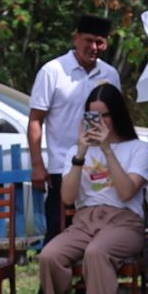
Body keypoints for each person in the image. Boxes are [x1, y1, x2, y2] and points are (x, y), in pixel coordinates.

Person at [39, 81, 148, 294]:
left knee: (97, 252)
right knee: (49, 255)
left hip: (124, 221)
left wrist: (108, 150)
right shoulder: (74, 153)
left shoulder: (138, 149)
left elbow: (126, 192)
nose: (99, 122)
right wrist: (81, 152)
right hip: (85, 221)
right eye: (92, 116)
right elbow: (66, 198)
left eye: (105, 115)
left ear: (118, 116)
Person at [29, 16, 121, 241]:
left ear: (106, 44)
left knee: (98, 231)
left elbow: (117, 120)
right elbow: (35, 121)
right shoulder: (53, 71)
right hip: (63, 167)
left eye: (99, 42)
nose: (93, 47)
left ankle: (92, 276)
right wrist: (38, 165)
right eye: (88, 40)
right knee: (60, 232)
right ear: (76, 38)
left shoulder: (110, 74)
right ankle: (55, 275)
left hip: (100, 167)